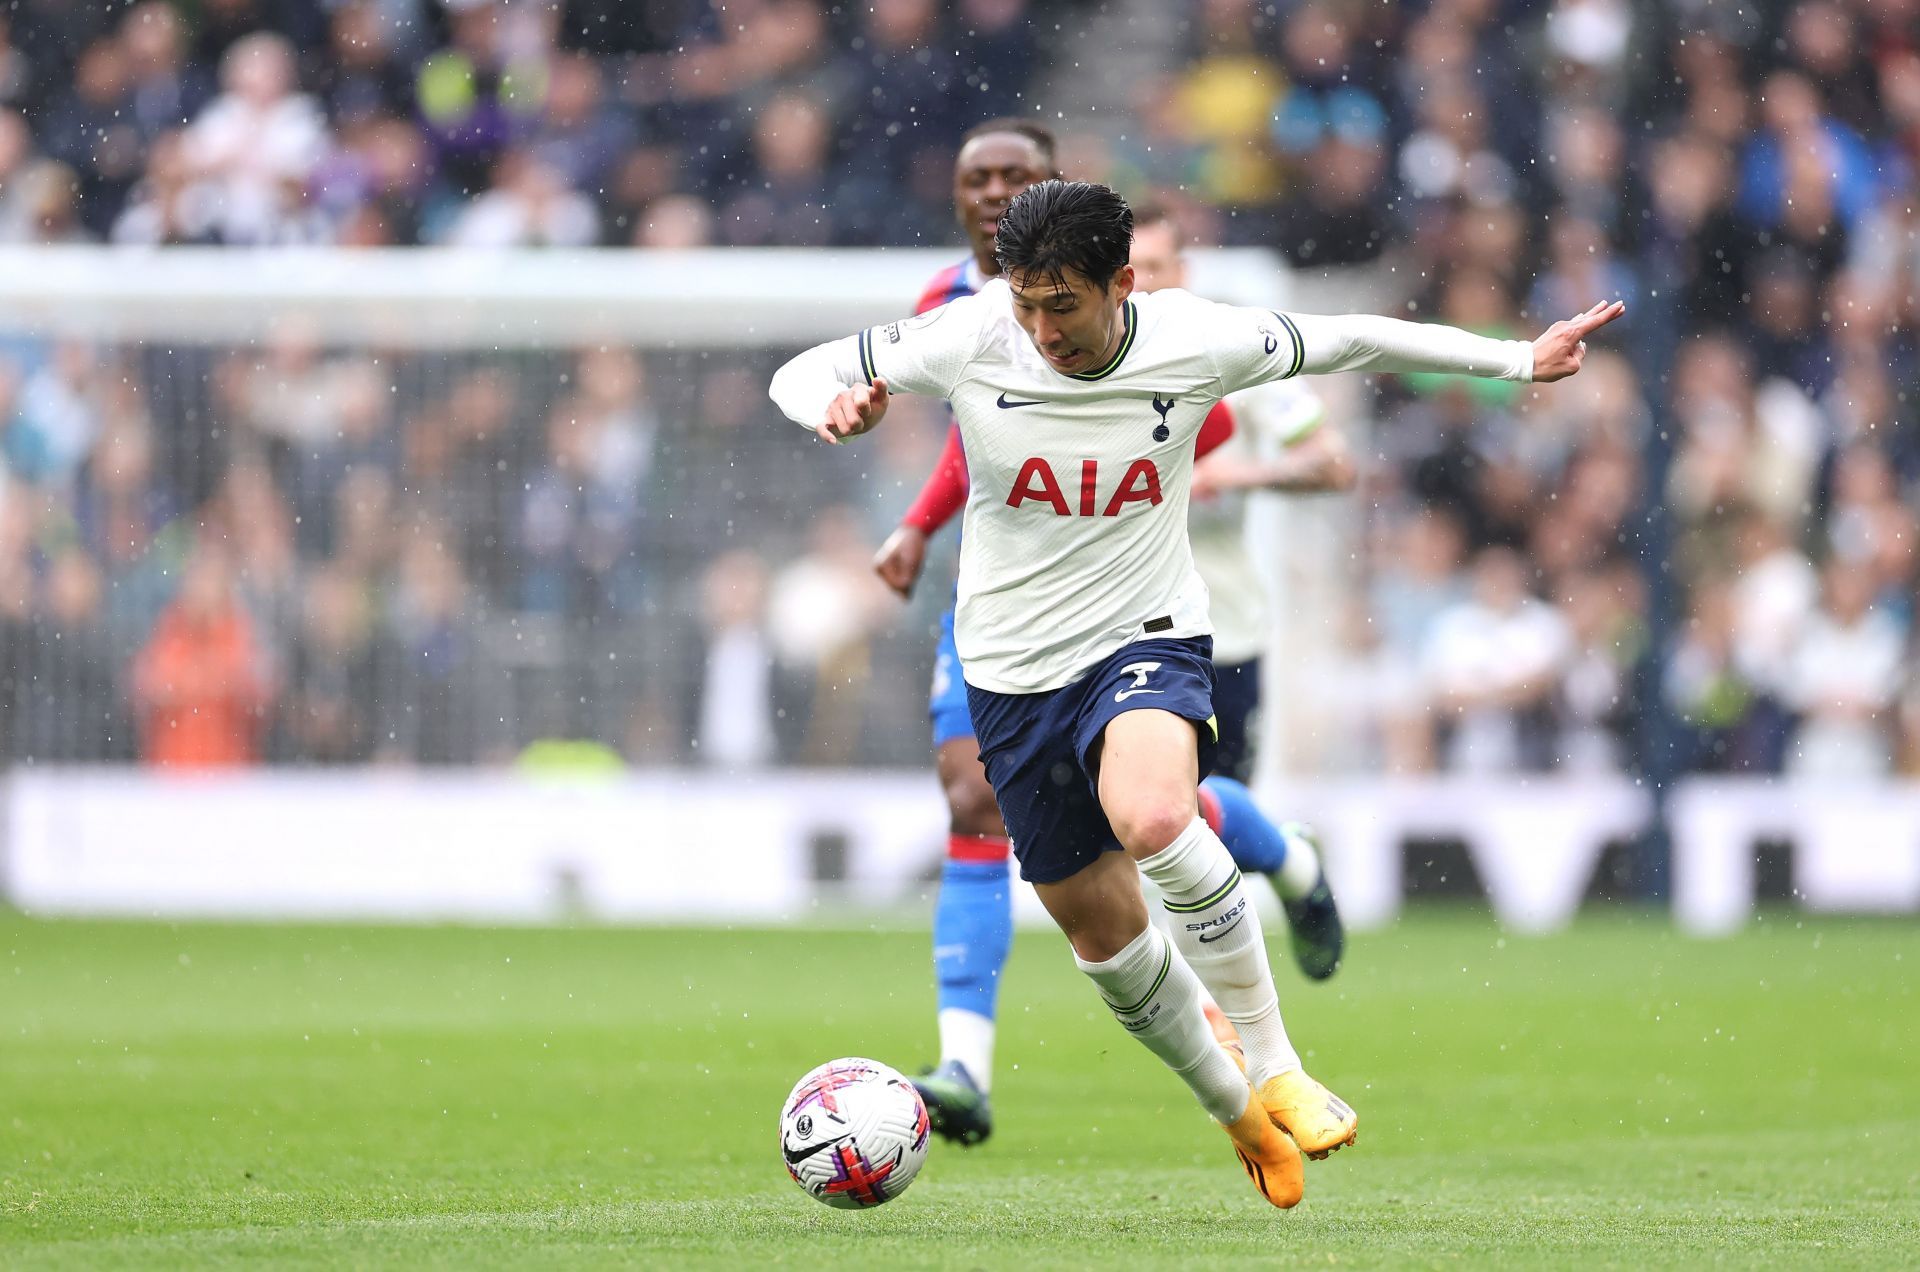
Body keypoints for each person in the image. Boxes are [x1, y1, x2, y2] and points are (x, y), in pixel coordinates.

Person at [772, 179, 1621, 1206]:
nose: (1041, 331)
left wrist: (1517, 360)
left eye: (1064, 307)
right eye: (1027, 304)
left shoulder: (1196, 340)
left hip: (1147, 634)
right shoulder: (973, 336)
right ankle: (1238, 1111)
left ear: (1122, 284)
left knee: (1159, 814)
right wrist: (835, 404)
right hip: (1010, 670)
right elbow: (807, 369)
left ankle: (1278, 1065)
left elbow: (1349, 339)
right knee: (1104, 935)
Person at [872, 125, 1341, 1150]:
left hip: (1181, 609)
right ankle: (965, 1063)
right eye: (975, 178)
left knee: (1161, 816)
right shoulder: (949, 311)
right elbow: (972, 445)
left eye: (1014, 179)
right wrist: (917, 521)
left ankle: (1280, 867)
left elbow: (1278, 447)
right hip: (1017, 609)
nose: (994, 193)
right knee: (980, 792)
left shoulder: (1183, 333)